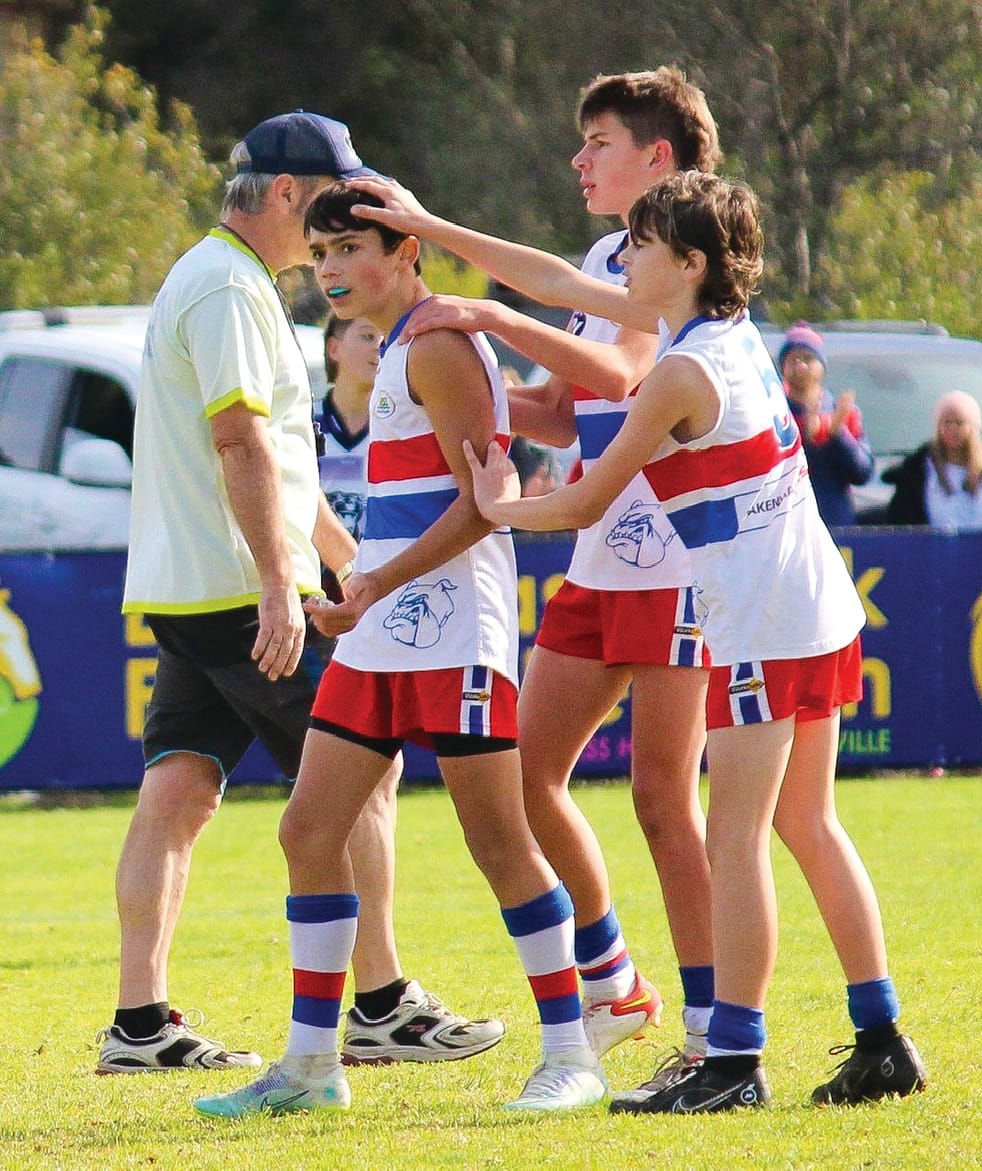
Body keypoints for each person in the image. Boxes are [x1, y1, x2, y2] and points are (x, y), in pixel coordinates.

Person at [463, 170, 926, 1113]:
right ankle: (881, 1037)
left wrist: (498, 505)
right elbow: (558, 284)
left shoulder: (679, 369)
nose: (621, 258)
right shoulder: (725, 334)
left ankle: (734, 1061)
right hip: (816, 604)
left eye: (641, 244)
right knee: (808, 822)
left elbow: (588, 498)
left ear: (688, 263)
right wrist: (442, 239)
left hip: (760, 619)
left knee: (738, 834)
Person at [192, 183, 607, 1118]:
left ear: (406, 251)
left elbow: (482, 505)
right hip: (382, 633)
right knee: (306, 829)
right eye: (323, 251)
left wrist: (375, 582)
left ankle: (573, 1051)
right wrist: (365, 588)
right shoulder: (394, 347)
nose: (331, 269)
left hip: (457, 629)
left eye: (350, 250)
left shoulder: (441, 343)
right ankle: (309, 1065)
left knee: (499, 842)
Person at [99, 112, 501, 1075]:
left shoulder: (218, 278)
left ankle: (138, 1023)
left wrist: (343, 557)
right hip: (242, 586)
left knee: (180, 791)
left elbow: (281, 461)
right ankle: (381, 1002)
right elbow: (240, 443)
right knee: (361, 766)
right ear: (284, 193)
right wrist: (285, 590)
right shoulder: (232, 290)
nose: (341, 216)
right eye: (329, 197)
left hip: (196, 583)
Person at [351, 68, 722, 1087]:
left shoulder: (683, 258)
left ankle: (710, 1033)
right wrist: (449, 383)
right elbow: (564, 410)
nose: (577, 159)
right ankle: (615, 984)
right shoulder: (611, 254)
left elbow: (621, 374)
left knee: (661, 800)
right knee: (529, 777)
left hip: (681, 559)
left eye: (596, 140)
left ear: (657, 157)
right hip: (598, 555)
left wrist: (480, 314)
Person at [778, 322, 873, 527]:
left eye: (808, 358)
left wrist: (837, 433)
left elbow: (863, 472)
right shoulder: (773, 413)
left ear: (822, 365)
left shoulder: (845, 412)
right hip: (787, 526)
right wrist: (805, 438)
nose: (801, 366)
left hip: (835, 526)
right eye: (793, 360)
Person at [884, 389, 982, 528]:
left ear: (973, 427)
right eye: (946, 422)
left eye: (959, 423)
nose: (951, 429)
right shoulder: (917, 472)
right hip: (931, 548)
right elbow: (900, 524)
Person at [315, 314, 383, 540]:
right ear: (334, 349)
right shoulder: (304, 422)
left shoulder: (398, 428)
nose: (378, 347)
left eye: (385, 340)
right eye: (368, 336)